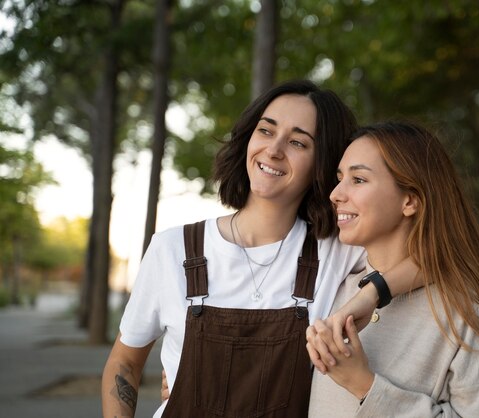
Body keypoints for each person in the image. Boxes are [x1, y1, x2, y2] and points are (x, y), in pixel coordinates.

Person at [102, 80, 420, 418]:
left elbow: (432, 258)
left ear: (322, 163)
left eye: (298, 141)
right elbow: (124, 362)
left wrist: (370, 295)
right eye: (266, 131)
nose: (274, 149)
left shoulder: (336, 251)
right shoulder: (172, 249)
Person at [306, 121, 479, 417]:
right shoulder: (334, 282)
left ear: (409, 200)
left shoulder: (463, 312)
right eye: (339, 178)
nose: (335, 193)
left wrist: (365, 386)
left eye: (358, 180)